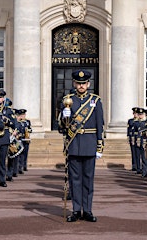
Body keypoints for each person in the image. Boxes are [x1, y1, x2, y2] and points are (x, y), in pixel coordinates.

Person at [59, 70, 104, 223]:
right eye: (78, 83)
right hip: (73, 144)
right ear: (74, 84)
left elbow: (100, 125)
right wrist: (64, 117)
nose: (81, 86)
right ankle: (76, 210)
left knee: (88, 179)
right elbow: (62, 127)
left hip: (90, 144)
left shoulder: (95, 101)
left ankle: (88, 210)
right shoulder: (67, 100)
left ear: (88, 84)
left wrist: (99, 146)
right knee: (75, 180)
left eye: (83, 83)